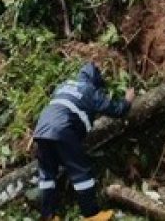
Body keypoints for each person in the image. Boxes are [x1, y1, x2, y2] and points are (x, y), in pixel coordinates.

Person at [33, 62, 135, 221]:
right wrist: (127, 101)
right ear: (95, 81)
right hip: (63, 130)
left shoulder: (63, 86)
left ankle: (48, 216)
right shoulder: (90, 90)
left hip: (41, 129)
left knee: (47, 174)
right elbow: (116, 110)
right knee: (81, 172)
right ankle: (91, 215)